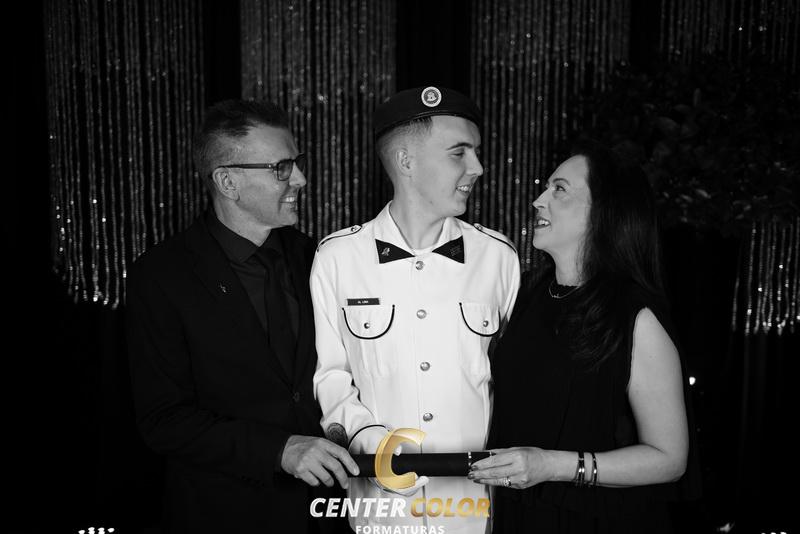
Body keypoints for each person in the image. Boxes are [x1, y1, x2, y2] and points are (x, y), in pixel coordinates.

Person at [126, 99, 358, 534]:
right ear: (227, 182)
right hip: (225, 514)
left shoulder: (320, 257)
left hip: (330, 516)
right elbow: (164, 420)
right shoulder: (161, 276)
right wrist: (279, 450)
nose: (300, 179)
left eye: (297, 163)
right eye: (281, 168)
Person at [311, 86, 521, 533]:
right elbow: (330, 377)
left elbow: (514, 382)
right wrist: (374, 445)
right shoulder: (337, 258)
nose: (477, 168)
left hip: (470, 513)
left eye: (476, 153)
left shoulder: (498, 257)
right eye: (459, 153)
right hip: (379, 513)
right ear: (406, 162)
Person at [469, 140, 701, 533]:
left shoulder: (636, 316)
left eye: (559, 190)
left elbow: (670, 459)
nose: (539, 200)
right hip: (518, 515)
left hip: (595, 520)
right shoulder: (527, 294)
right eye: (546, 188)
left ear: (605, 212)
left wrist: (551, 465)